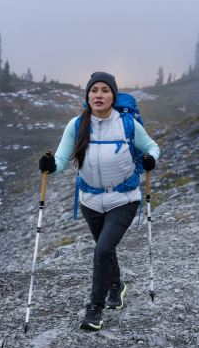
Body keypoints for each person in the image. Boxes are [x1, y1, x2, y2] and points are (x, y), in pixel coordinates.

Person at [38, 71, 160, 330]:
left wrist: (151, 159)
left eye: (105, 90)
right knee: (106, 249)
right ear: (88, 95)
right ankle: (117, 286)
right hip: (89, 200)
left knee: (102, 249)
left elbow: (152, 147)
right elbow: (61, 160)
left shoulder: (127, 124)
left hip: (124, 198)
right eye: (94, 90)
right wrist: (50, 165)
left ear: (113, 96)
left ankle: (95, 308)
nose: (99, 95)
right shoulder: (76, 125)